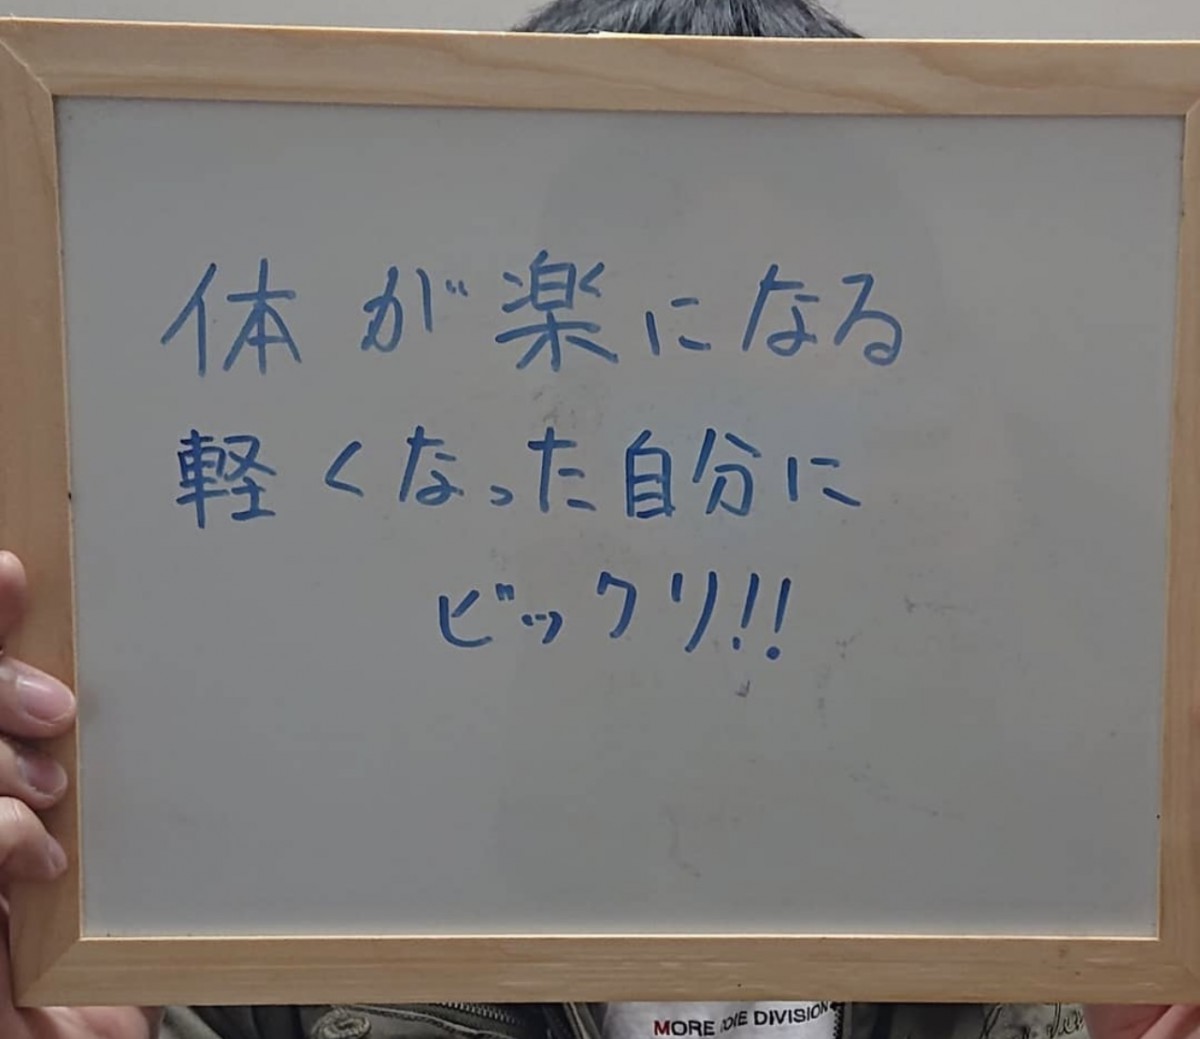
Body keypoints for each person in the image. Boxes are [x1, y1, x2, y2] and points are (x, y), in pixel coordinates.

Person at [0, 5, 1194, 1039]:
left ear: (925, 389)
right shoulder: (302, 819)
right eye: (664, 331)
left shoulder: (1074, 796)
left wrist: (1005, 591)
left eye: (791, 335)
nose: (727, 440)